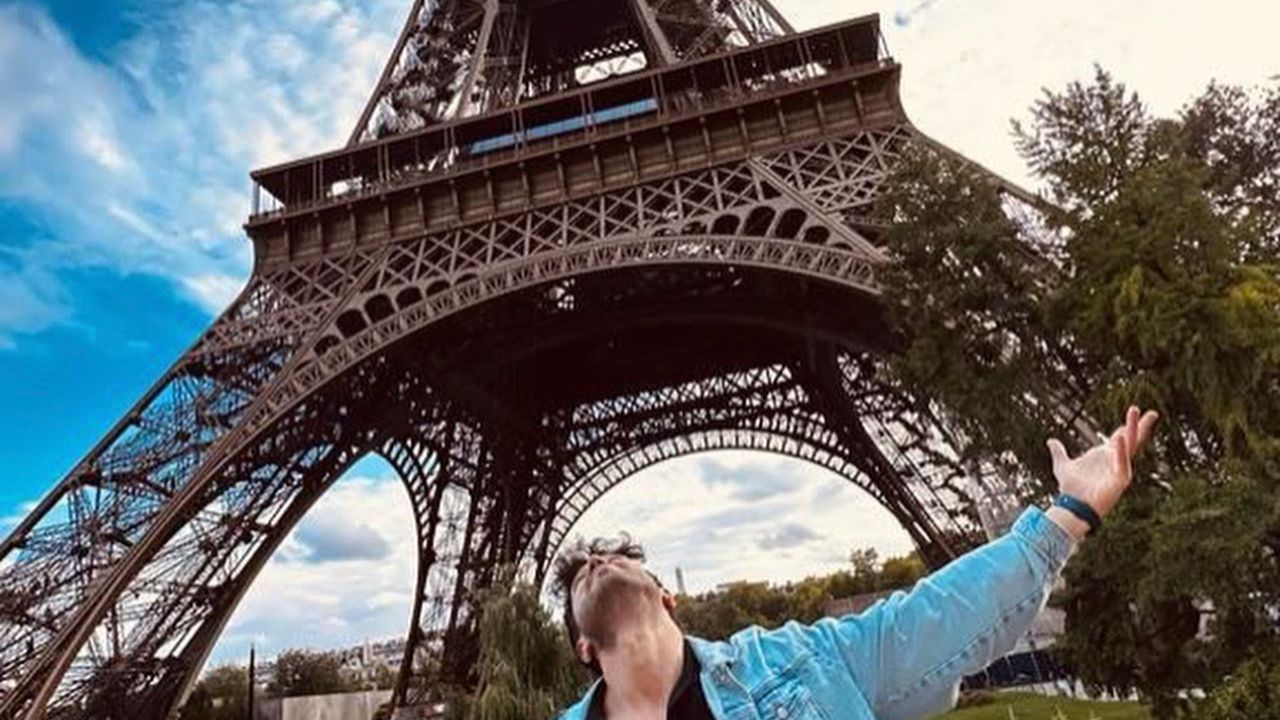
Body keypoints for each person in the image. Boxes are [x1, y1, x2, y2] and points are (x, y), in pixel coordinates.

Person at [552, 406, 1160, 720]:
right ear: (584, 646)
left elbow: (930, 620)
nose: (598, 560)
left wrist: (1069, 513)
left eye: (616, 556)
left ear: (666, 596)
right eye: (581, 571)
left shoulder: (798, 662)